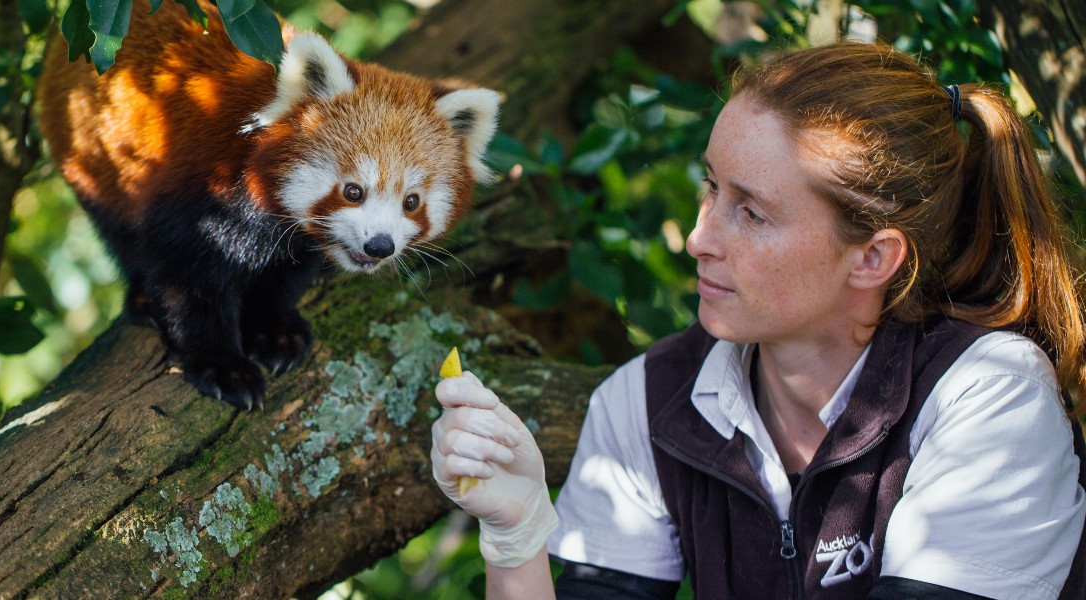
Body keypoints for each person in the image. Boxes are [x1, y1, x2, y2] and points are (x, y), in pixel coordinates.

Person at [429, 41, 1086, 599]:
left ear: (873, 258)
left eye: (752, 212)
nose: (698, 238)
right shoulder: (647, 401)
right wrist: (516, 532)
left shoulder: (988, 395)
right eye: (712, 187)